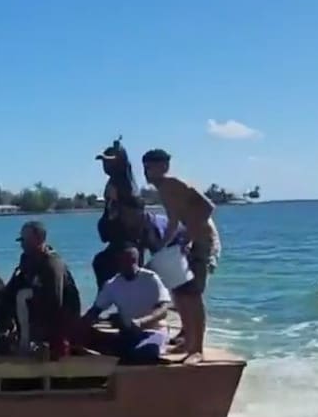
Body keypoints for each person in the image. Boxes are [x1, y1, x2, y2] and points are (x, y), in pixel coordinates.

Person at [141, 148, 222, 363]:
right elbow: (174, 223)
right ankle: (188, 342)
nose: (147, 172)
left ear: (164, 167)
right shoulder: (163, 190)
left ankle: (197, 349)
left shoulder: (173, 183)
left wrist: (192, 236)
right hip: (189, 241)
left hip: (204, 242)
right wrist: (161, 246)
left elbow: (207, 207)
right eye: (145, 167)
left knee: (193, 295)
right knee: (181, 292)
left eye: (152, 166)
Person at [0, 221, 82, 358]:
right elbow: (11, 289)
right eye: (21, 240)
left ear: (38, 239)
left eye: (25, 240)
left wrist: (39, 334)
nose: (22, 244)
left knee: (23, 295)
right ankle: (18, 339)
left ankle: (30, 345)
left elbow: (56, 301)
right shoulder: (27, 260)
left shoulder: (52, 264)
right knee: (12, 296)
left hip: (62, 316)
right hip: (40, 309)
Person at [78, 246, 171, 365]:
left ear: (135, 261)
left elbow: (163, 309)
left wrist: (142, 321)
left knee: (143, 353)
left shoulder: (151, 279)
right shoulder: (113, 284)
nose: (125, 265)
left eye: (129, 261)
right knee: (97, 343)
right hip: (129, 334)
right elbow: (95, 310)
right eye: (122, 261)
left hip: (153, 330)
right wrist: (79, 326)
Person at [93, 137, 147, 290]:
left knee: (124, 270)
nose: (106, 165)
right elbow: (108, 214)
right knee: (101, 263)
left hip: (130, 243)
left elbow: (124, 165)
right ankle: (104, 302)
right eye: (104, 163)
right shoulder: (112, 184)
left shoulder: (126, 183)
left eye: (109, 162)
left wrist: (119, 149)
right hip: (117, 241)